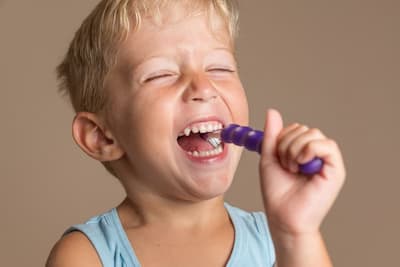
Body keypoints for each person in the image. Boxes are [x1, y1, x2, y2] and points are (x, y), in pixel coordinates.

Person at [46, 0, 346, 266]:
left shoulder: (279, 243)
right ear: (101, 136)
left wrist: (297, 233)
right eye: (161, 74)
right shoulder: (85, 256)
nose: (203, 87)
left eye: (220, 68)